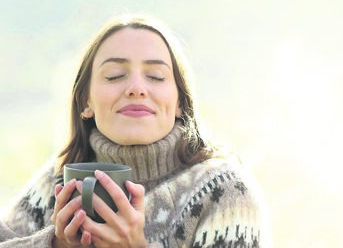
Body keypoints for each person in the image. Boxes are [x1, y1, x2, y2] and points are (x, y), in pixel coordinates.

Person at [0, 15, 267, 247]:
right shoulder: (57, 183)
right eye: (115, 75)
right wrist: (54, 244)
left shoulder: (225, 192)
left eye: (156, 77)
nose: (137, 88)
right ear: (85, 101)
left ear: (180, 103)